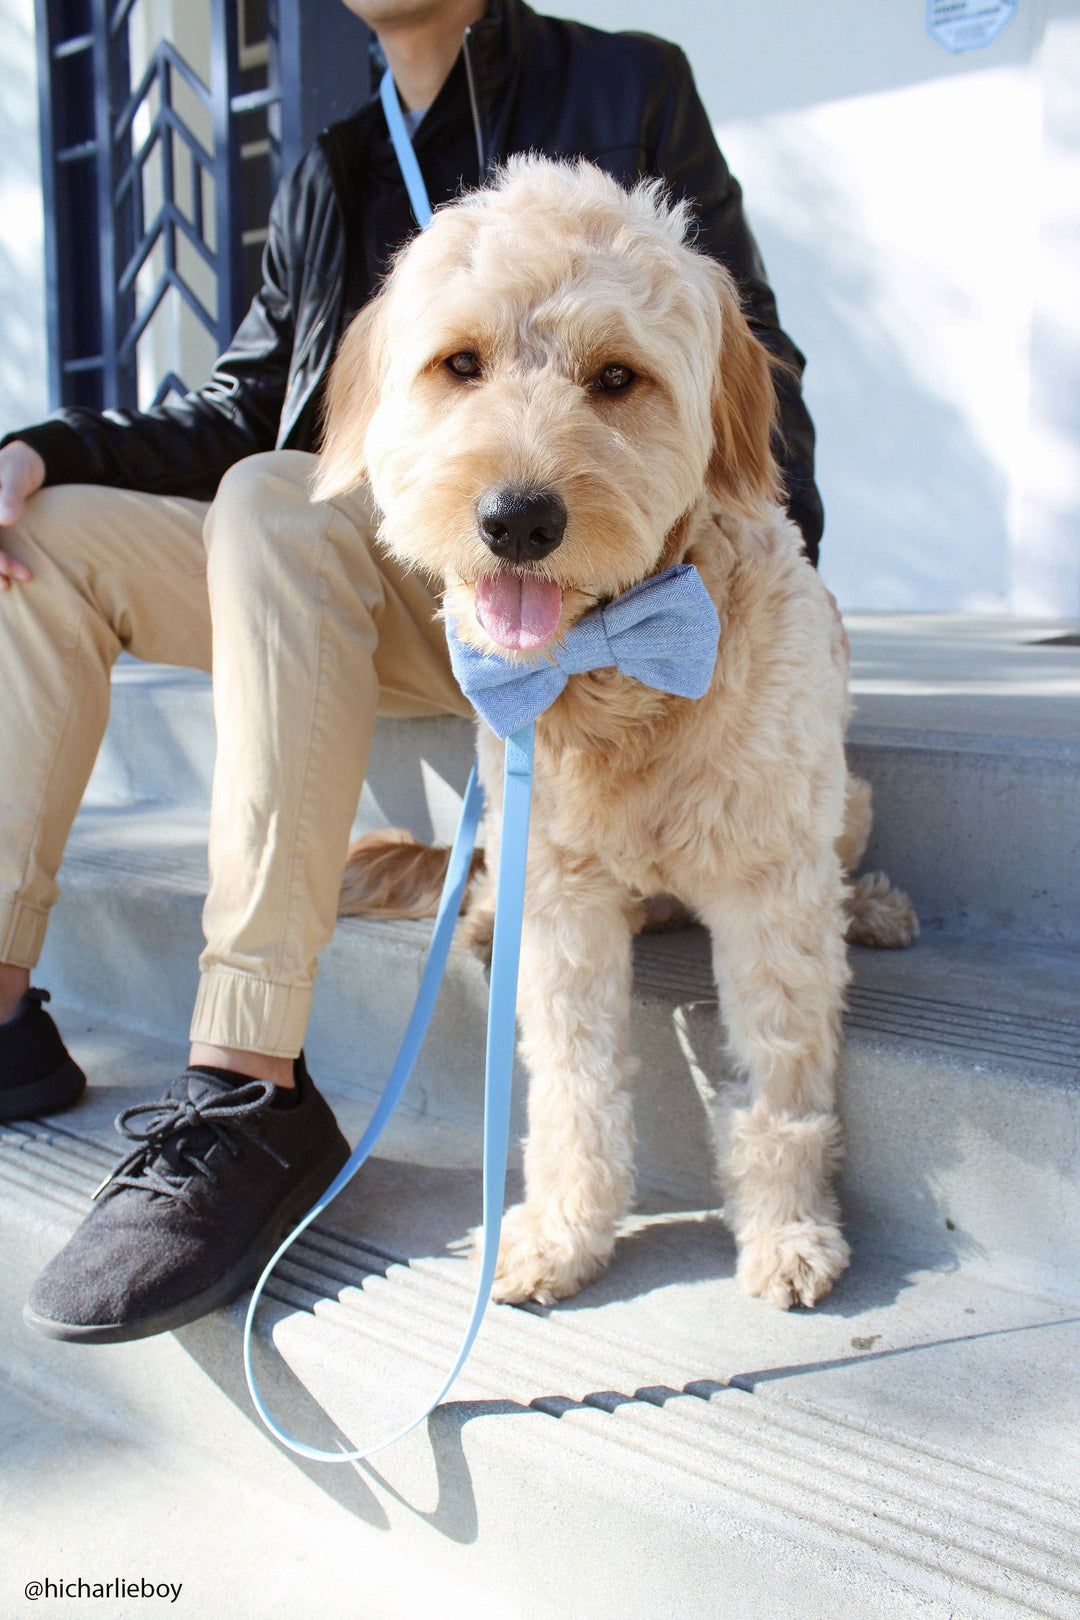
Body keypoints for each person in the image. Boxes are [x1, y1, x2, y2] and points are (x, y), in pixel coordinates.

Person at [0, 0, 824, 1344]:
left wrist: (752, 629)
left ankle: (246, 1078)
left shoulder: (625, 85)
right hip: (389, 576)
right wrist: (39, 443)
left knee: (272, 498)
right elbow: (246, 410)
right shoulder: (332, 164)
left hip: (594, 586)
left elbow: (749, 404)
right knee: (38, 539)